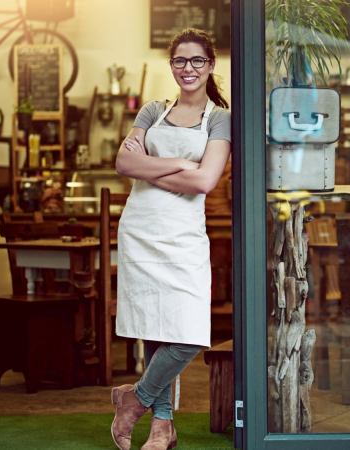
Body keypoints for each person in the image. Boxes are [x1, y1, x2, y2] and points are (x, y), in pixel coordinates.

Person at [110, 28, 231, 450]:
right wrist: (180, 161)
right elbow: (124, 163)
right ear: (172, 65)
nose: (188, 68)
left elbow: (204, 181)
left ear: (210, 65)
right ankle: (162, 427)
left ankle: (134, 400)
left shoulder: (219, 118)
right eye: (180, 60)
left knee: (188, 333)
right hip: (141, 229)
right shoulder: (152, 111)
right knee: (154, 327)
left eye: (197, 60)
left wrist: (151, 166)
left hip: (183, 235)